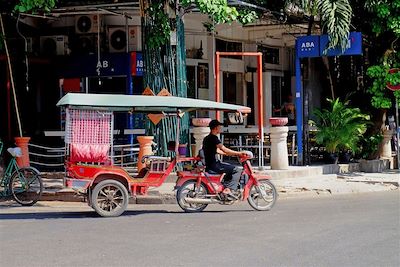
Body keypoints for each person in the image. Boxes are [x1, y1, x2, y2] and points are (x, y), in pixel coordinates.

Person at [202, 119, 248, 198]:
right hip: (214, 165)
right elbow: (224, 149)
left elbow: (216, 150)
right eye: (219, 127)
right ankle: (228, 189)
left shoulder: (207, 138)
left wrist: (232, 154)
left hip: (210, 164)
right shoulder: (214, 138)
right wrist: (239, 153)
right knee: (236, 170)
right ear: (216, 128)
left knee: (229, 168)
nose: (220, 128)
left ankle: (225, 187)